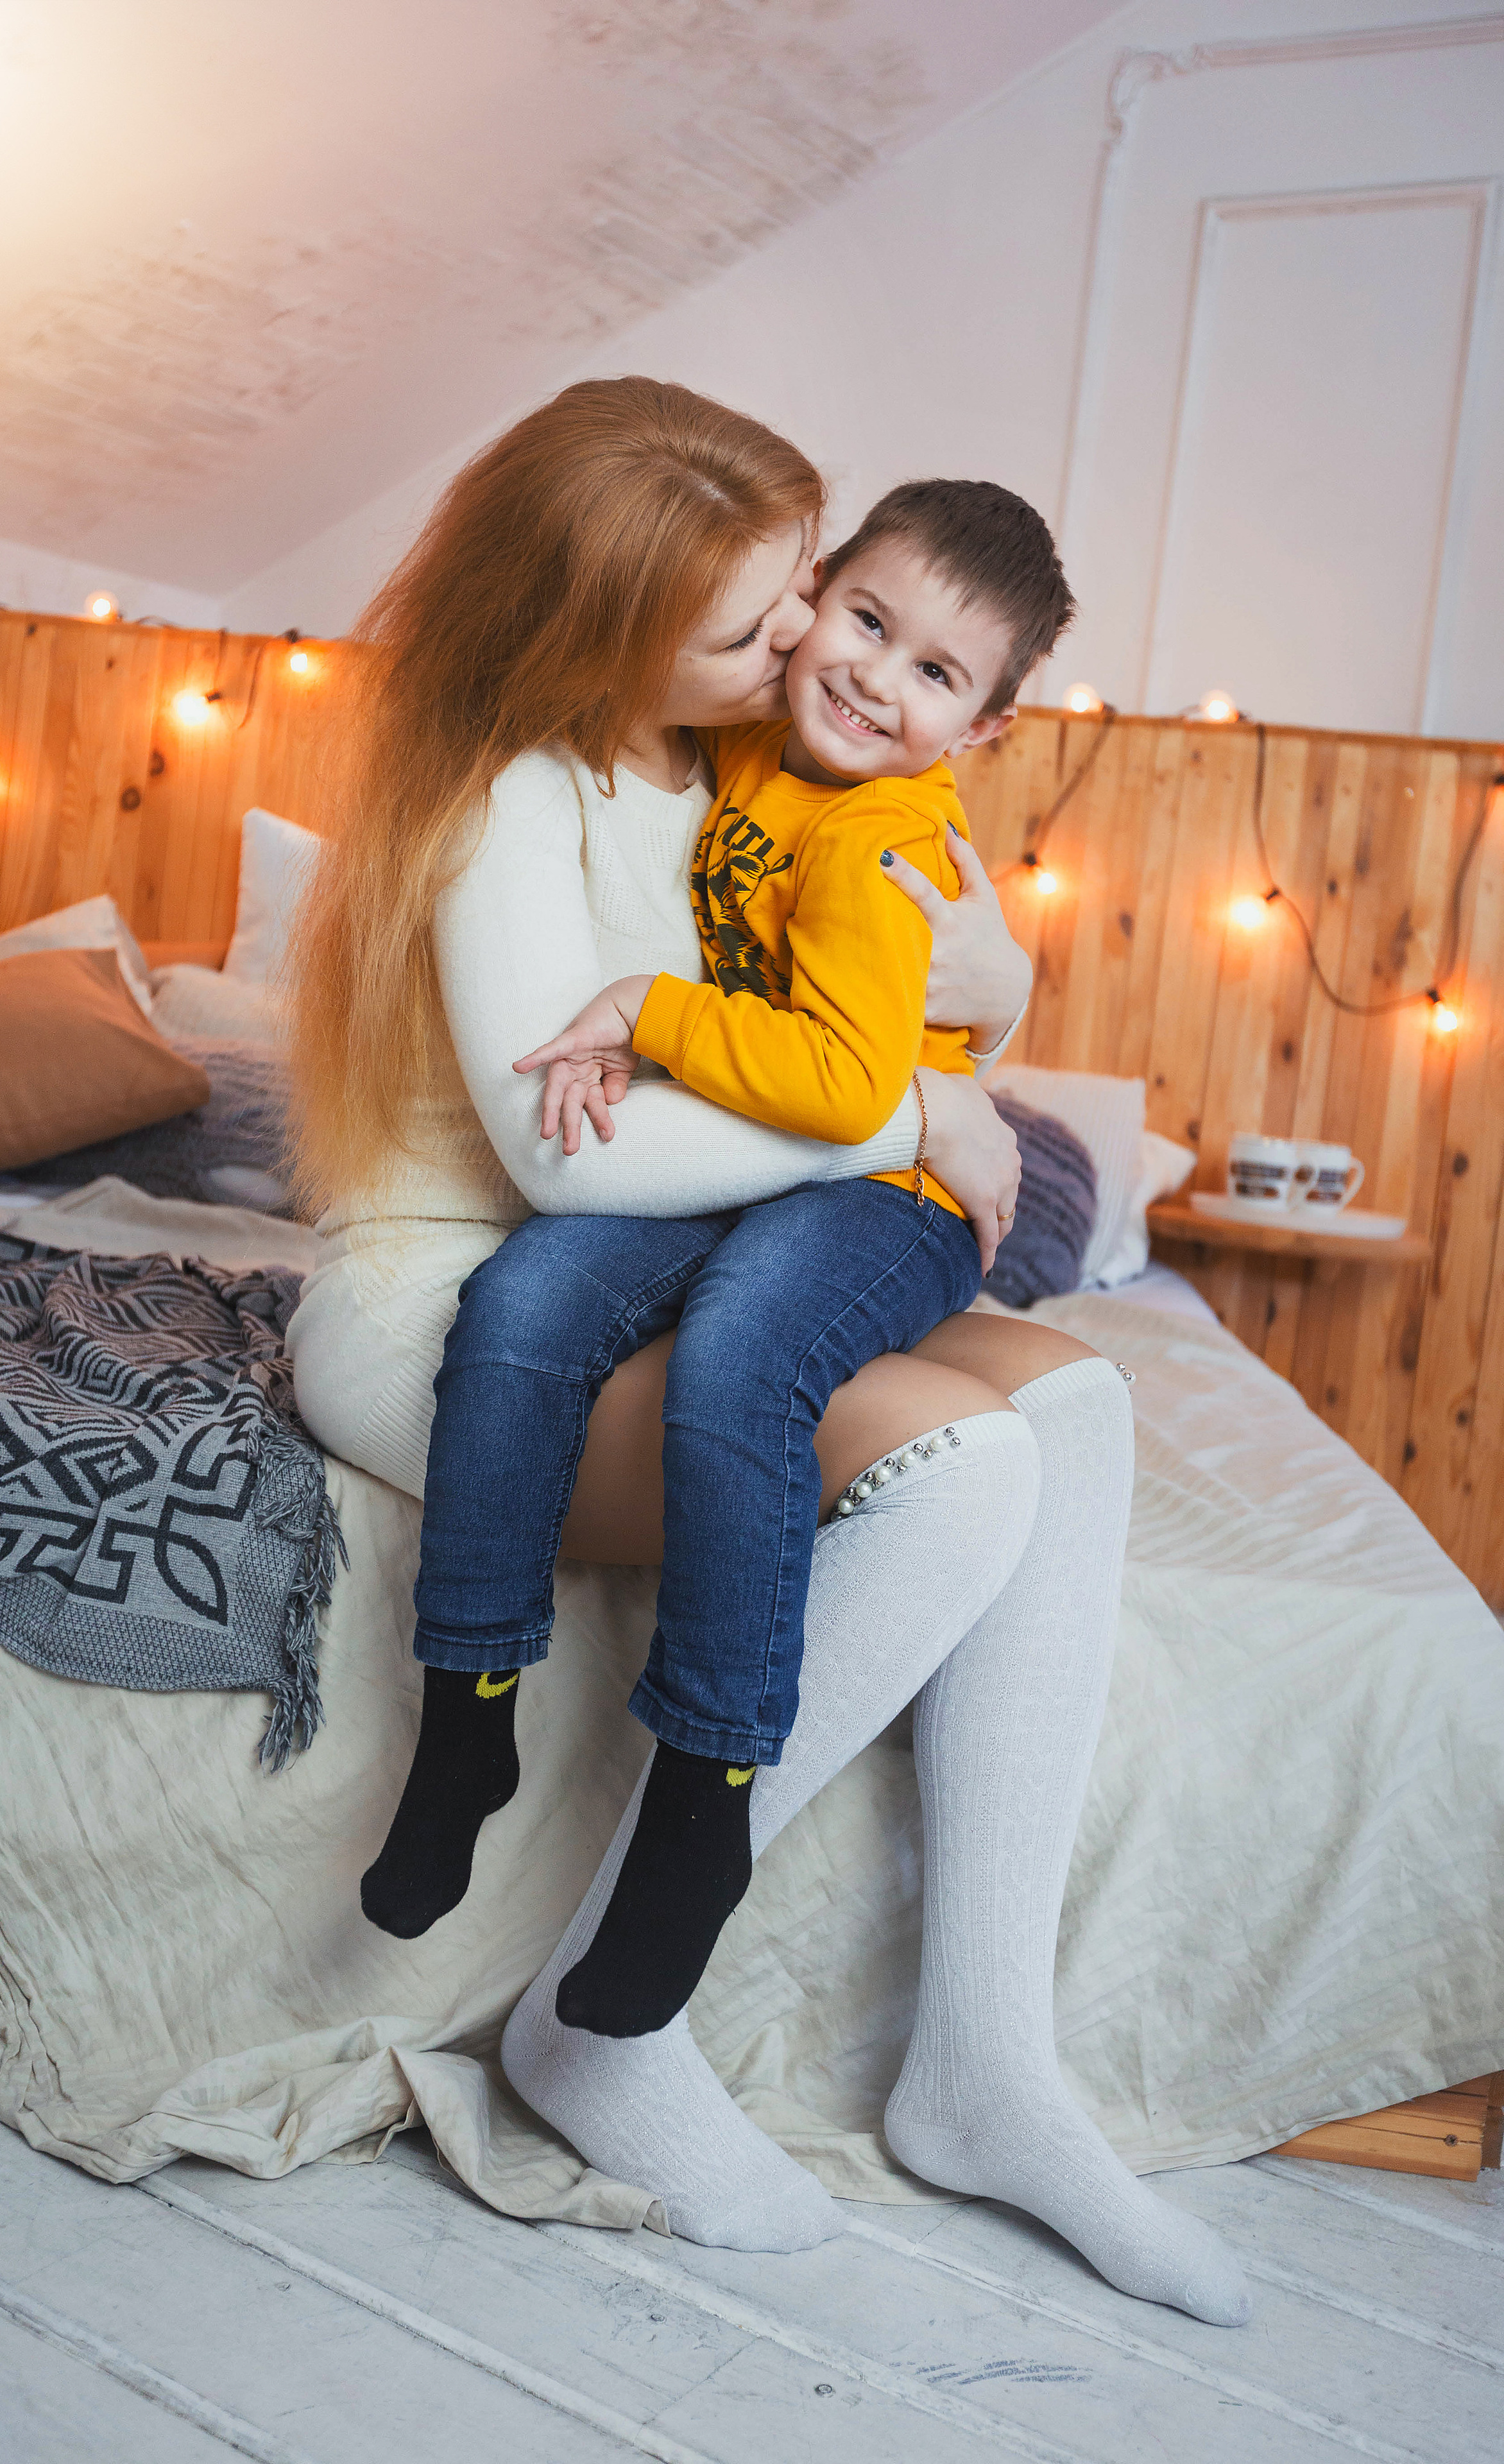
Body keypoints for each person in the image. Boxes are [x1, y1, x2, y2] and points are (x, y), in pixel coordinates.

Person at [286, 376, 1249, 2324]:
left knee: (1076, 1399)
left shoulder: (740, 768)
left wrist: (995, 995)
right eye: (776, 615)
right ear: (609, 632)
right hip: (479, 1291)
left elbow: (910, 940)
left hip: (683, 1237)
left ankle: (991, 2056)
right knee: (964, 1463)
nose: (815, 640)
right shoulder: (513, 804)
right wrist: (911, 1113)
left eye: (807, 587)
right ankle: (611, 2015)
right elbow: (593, 1169)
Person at [362, 481, 1074, 2070]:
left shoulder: (887, 831)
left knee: (741, 1360)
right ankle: (466, 1715)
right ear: (813, 593)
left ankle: (705, 1791)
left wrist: (644, 1011)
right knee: (524, 1302)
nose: (877, 679)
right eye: (867, 621)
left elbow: (834, 1088)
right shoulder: (733, 748)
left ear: (979, 728)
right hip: (751, 1151)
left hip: (883, 1185)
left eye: (936, 677)